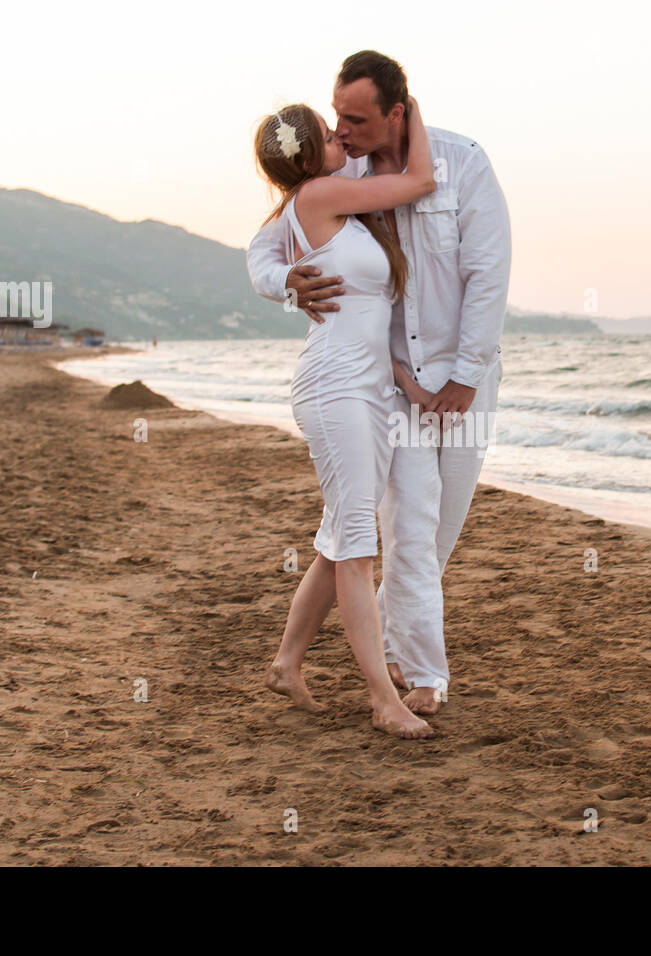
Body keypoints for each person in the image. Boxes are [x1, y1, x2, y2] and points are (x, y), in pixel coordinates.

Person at [248, 51, 511, 715]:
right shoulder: (340, 176)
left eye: (356, 118)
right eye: (335, 118)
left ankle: (303, 659)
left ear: (396, 111)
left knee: (409, 534)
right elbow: (264, 247)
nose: (342, 130)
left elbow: (488, 274)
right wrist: (286, 282)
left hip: (446, 380)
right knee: (389, 534)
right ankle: (402, 683)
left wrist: (466, 375)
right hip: (372, 384)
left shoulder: (464, 161)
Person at [253, 93, 437, 739]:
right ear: (308, 155)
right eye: (332, 135)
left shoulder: (324, 207)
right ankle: (383, 700)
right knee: (358, 544)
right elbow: (420, 180)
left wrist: (401, 379)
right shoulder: (319, 197)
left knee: (340, 542)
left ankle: (286, 663)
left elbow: (360, 315)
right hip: (335, 391)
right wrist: (405, 113)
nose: (343, 139)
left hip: (368, 388)